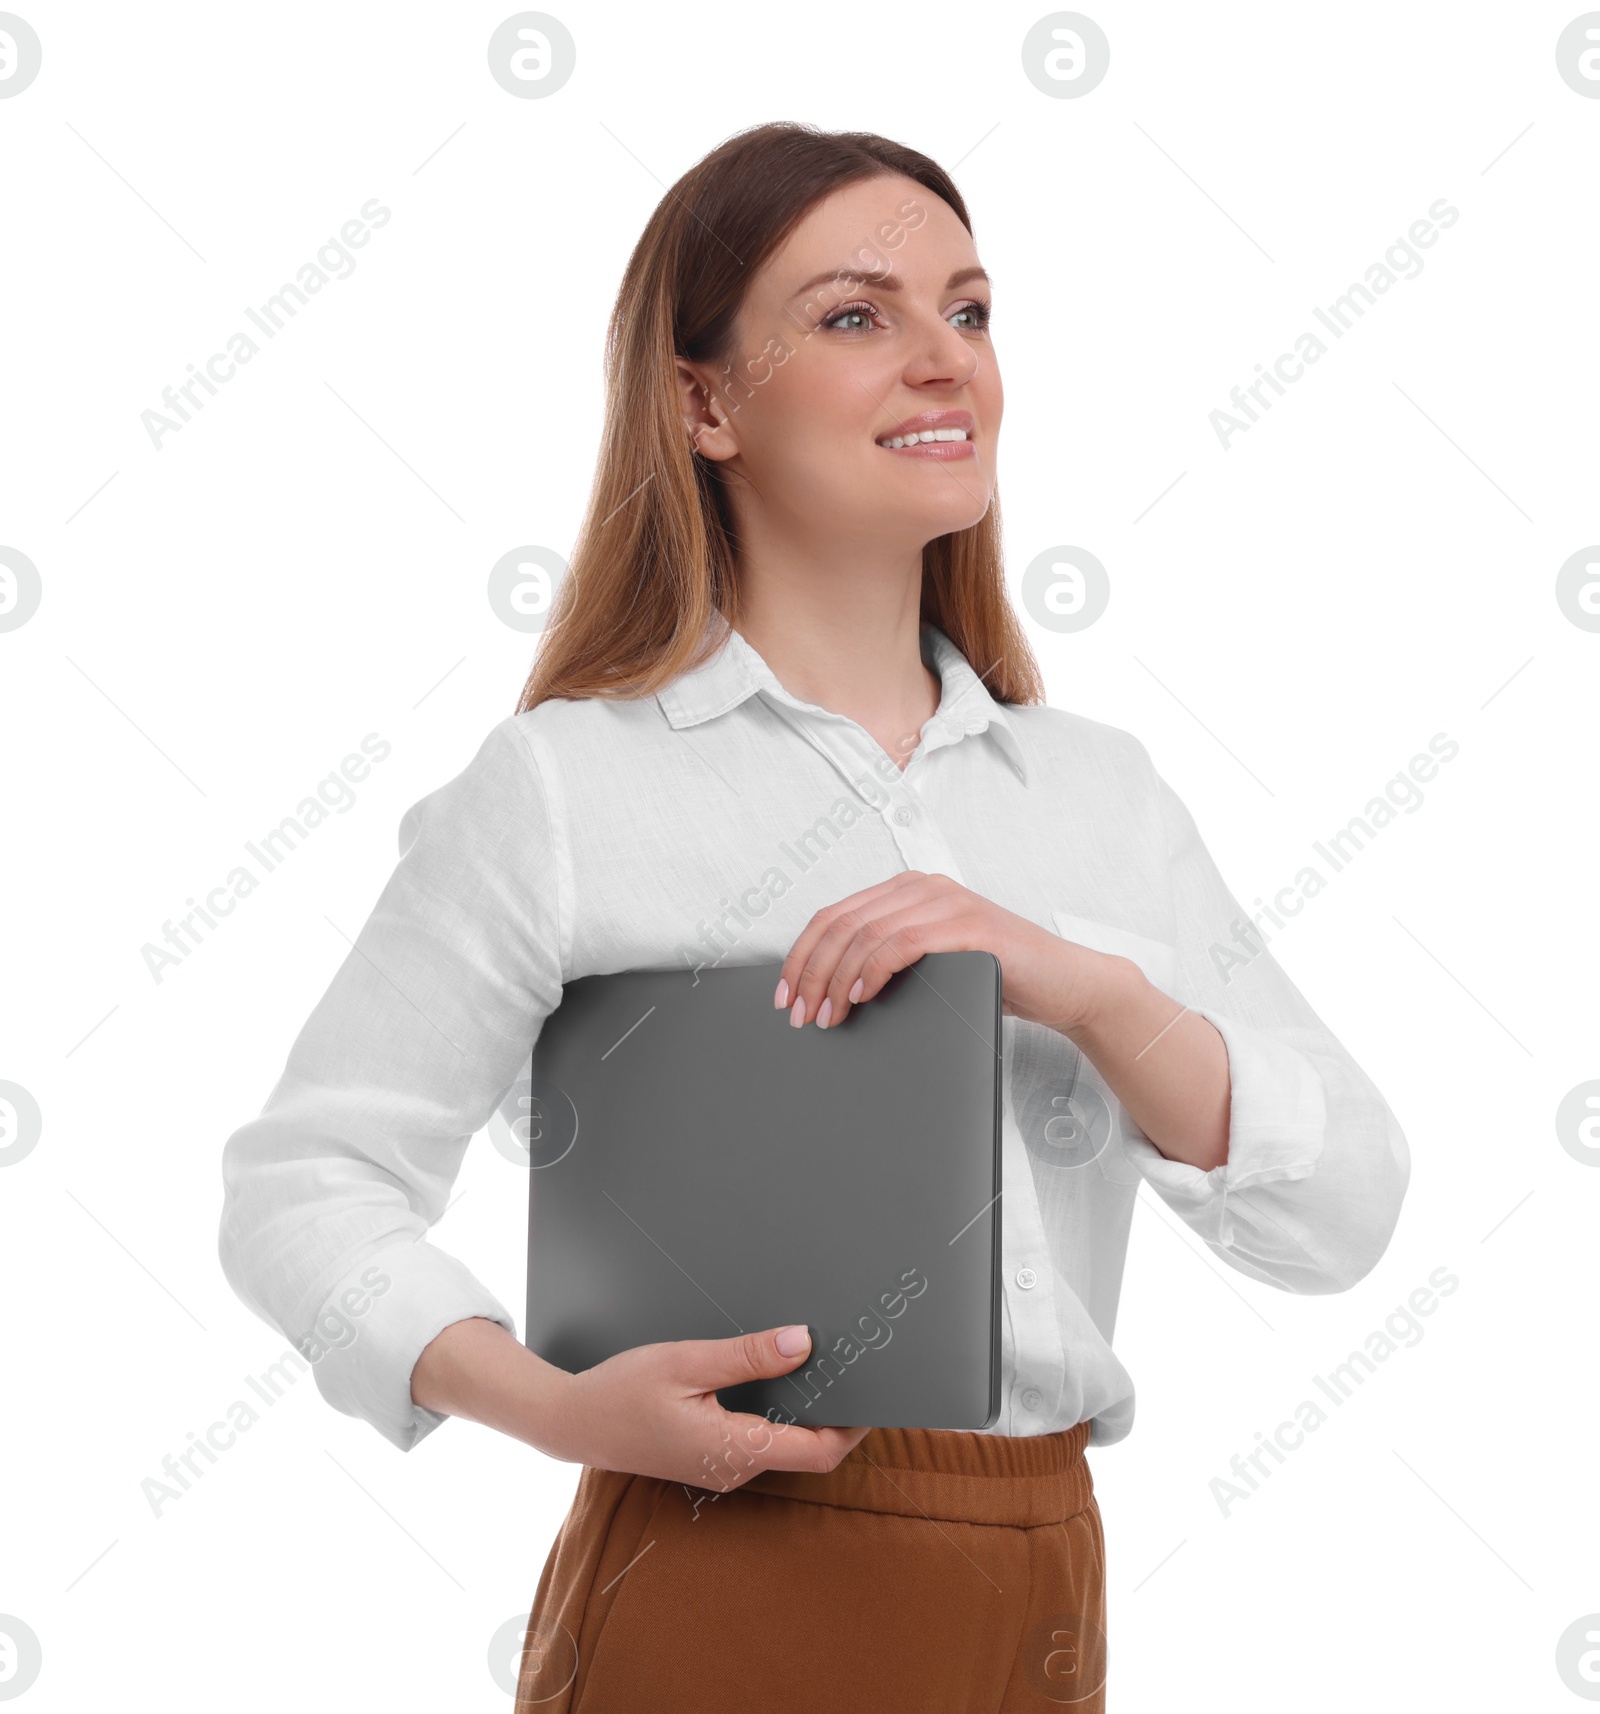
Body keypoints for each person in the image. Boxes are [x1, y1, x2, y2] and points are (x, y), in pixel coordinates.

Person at [217, 122, 1411, 1713]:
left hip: (1047, 1580)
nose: (944, 363)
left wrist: (1090, 991)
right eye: (859, 316)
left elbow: (1340, 1215)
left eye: (970, 313)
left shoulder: (1101, 796)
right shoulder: (566, 789)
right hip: (722, 1574)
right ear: (705, 402)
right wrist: (558, 1408)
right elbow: (303, 1187)